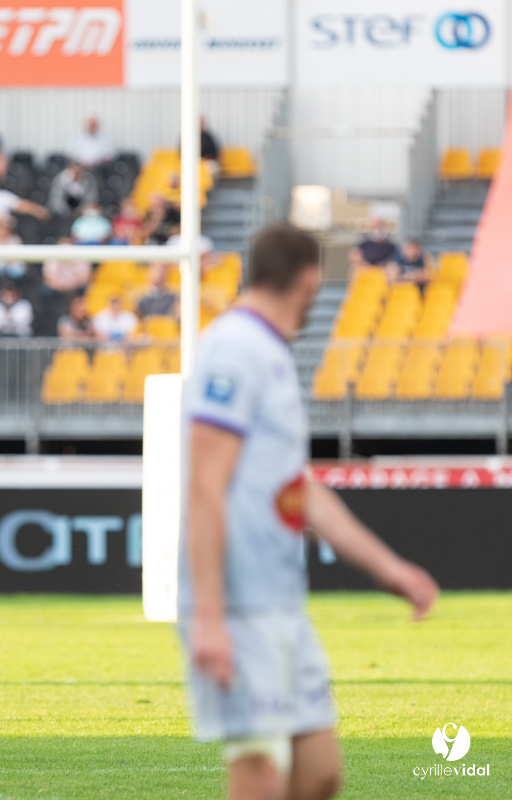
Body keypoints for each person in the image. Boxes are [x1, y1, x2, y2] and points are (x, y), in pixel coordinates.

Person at [182, 223, 438, 800]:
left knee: (320, 775)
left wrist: (388, 568)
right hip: (238, 603)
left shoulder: (271, 353)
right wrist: (210, 615)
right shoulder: (234, 348)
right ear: (308, 279)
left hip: (280, 601)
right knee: (260, 779)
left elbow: (300, 488)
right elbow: (204, 483)